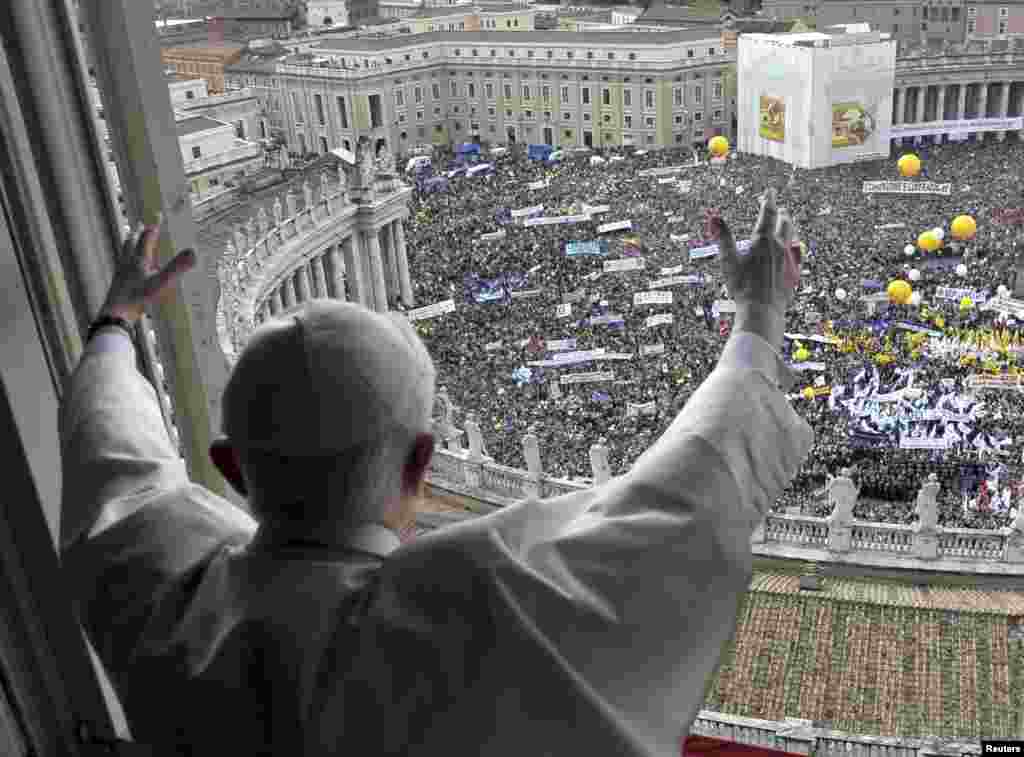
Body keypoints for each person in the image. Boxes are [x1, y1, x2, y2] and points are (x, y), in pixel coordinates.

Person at [60, 191, 812, 756]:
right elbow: (685, 503)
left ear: (228, 468)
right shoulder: (479, 598)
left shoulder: (157, 594)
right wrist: (757, 317)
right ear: (424, 461)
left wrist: (115, 325)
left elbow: (114, 454)